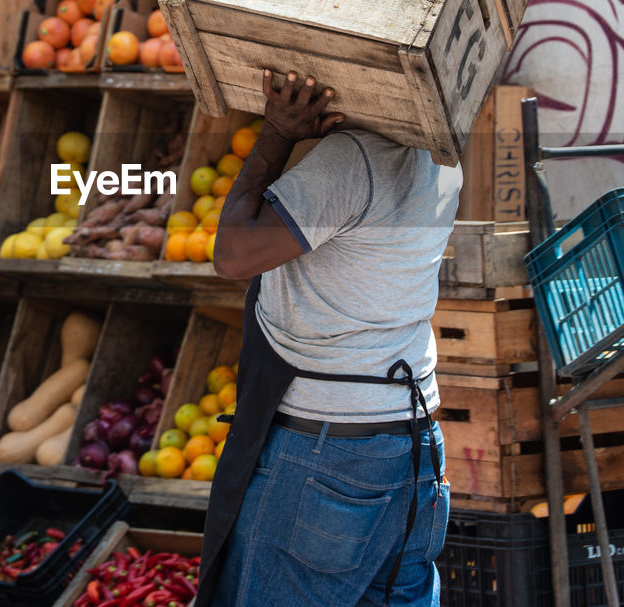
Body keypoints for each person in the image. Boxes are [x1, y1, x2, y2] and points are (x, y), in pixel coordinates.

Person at [196, 69, 463, 607]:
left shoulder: (351, 161)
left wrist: (277, 131)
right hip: (411, 445)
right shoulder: (442, 156)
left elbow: (233, 254)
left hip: (329, 457)